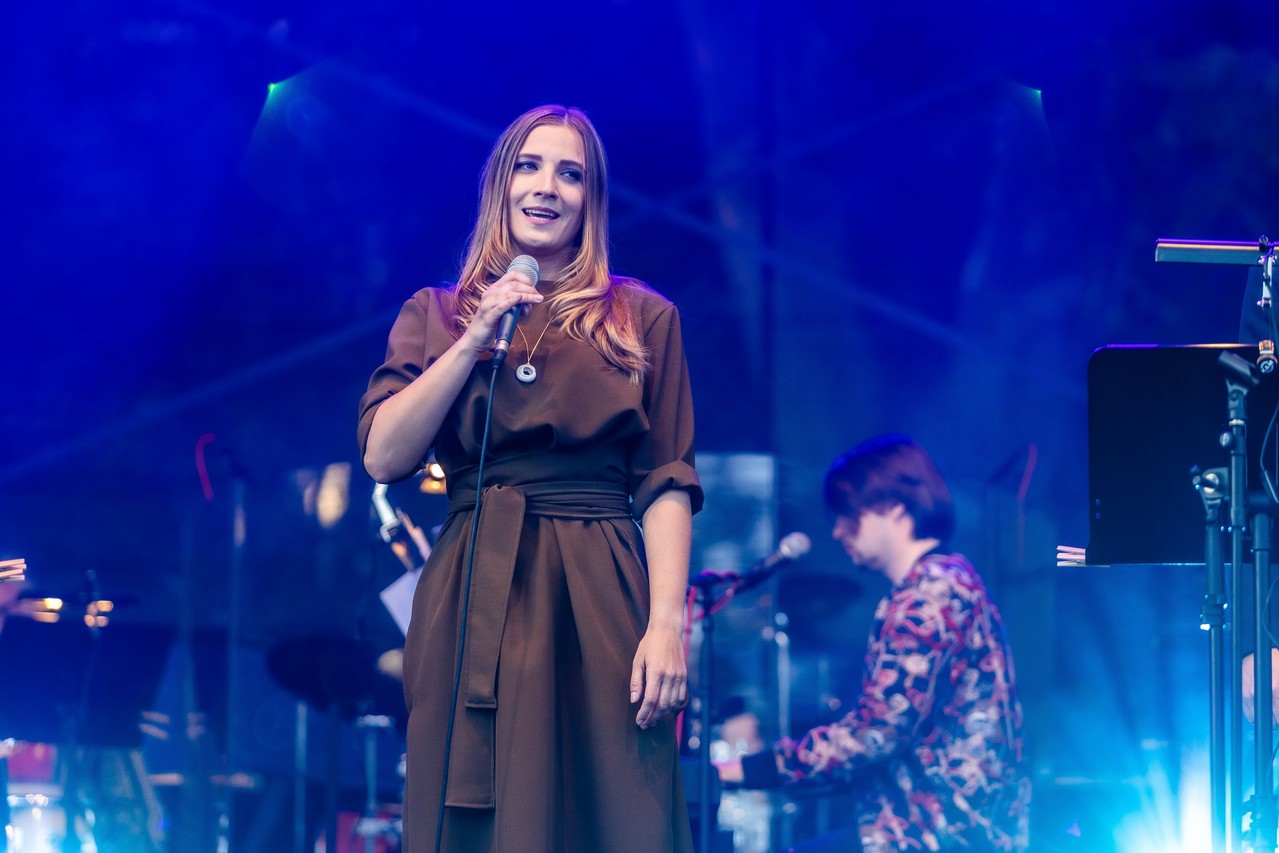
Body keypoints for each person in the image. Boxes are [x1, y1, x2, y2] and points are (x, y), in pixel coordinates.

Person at [357, 105, 701, 852]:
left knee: (614, 806)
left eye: (571, 174)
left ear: (591, 200)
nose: (547, 186)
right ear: (501, 184)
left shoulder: (642, 316)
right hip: (474, 583)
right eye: (530, 166)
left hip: (599, 582)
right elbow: (384, 456)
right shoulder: (438, 312)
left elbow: (667, 480)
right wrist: (473, 339)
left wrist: (667, 626)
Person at [718, 434, 1030, 852]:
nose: (837, 531)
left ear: (894, 507)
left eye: (849, 514)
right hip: (948, 827)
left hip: (935, 833)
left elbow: (877, 731)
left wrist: (747, 769)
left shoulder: (928, 596)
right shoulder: (948, 580)